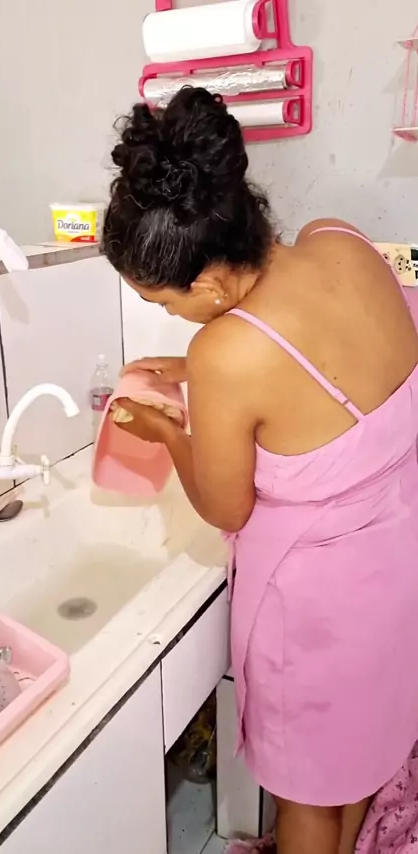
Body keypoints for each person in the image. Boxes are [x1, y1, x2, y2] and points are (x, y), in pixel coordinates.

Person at [101, 87, 418, 854]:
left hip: (318, 609)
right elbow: (329, 369)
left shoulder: (226, 353)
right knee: (357, 760)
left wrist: (171, 428)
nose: (172, 317)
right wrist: (202, 376)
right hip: (394, 567)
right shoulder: (338, 241)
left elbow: (227, 508)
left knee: (308, 791)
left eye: (163, 303)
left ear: (209, 285)